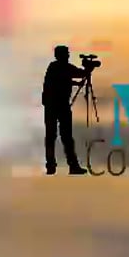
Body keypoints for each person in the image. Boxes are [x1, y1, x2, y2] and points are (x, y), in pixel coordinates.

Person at [42, 45, 88, 177]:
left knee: (51, 136)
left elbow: (62, 79)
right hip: (60, 106)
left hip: (51, 106)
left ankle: (51, 166)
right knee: (66, 136)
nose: (68, 55)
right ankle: (72, 166)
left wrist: (75, 83)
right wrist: (88, 69)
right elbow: (79, 74)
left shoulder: (54, 67)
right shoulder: (63, 67)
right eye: (66, 53)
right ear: (61, 55)